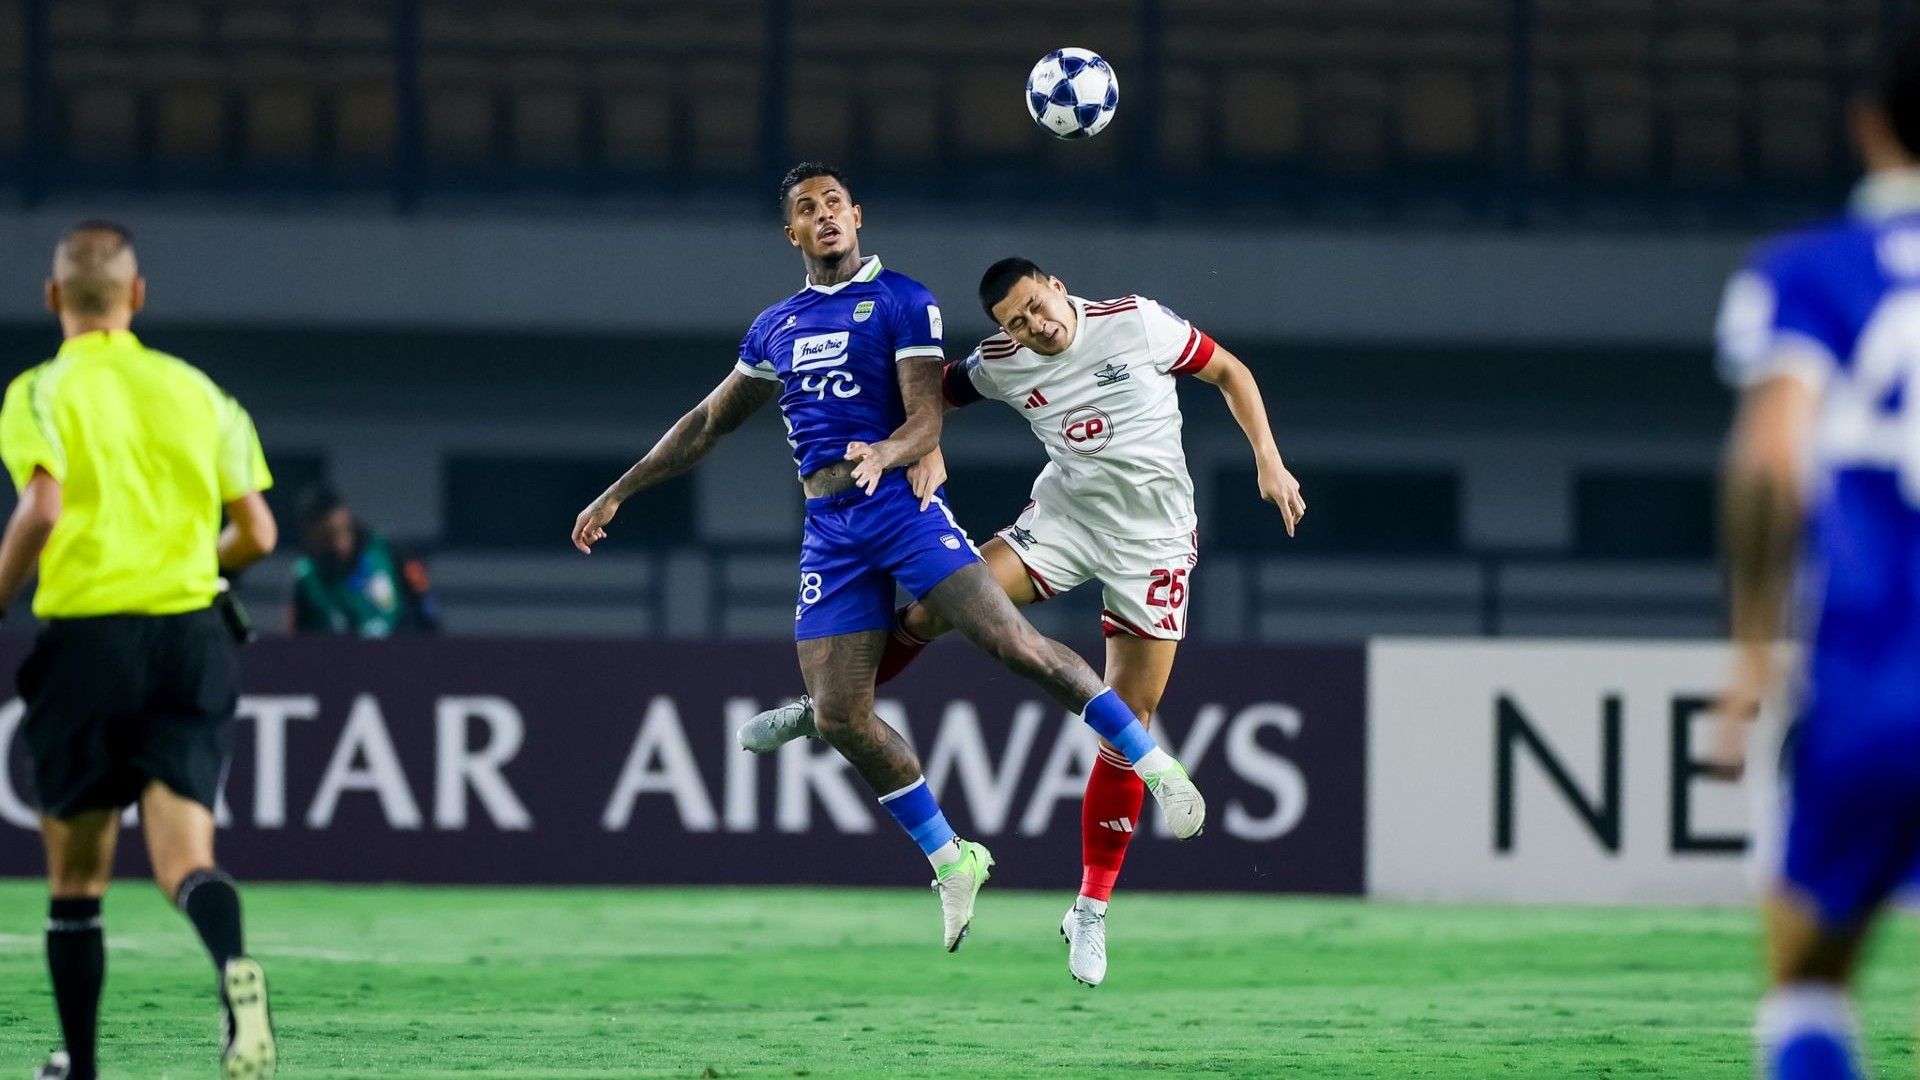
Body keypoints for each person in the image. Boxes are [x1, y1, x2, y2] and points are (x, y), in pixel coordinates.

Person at [572, 163, 1207, 953]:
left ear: (858, 215)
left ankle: (1156, 767)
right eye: (808, 209)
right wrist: (617, 493)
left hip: (900, 510)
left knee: (1010, 642)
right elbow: (707, 422)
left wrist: (899, 450)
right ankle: (953, 860)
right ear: (792, 233)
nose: (825, 215)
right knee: (845, 716)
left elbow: (926, 411)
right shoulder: (775, 327)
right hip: (829, 528)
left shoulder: (902, 299)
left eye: (835, 202)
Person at [739, 257, 1305, 986]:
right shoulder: (1000, 363)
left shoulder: (1135, 321)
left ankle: (1090, 910)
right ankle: (828, 709)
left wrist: (1269, 460)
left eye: (1036, 307)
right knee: (938, 605)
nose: (1033, 327)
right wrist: (927, 442)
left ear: (1058, 288)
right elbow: (926, 394)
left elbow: (1231, 371)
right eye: (1015, 322)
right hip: (1064, 523)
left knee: (1130, 717)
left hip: (1155, 544)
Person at [0, 222, 280, 1080]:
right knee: (186, 859)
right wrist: (193, 565)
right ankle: (237, 980)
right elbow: (258, 533)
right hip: (193, 637)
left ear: (53, 299)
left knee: (78, 879)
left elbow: (42, 511)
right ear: (138, 296)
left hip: (91, 638)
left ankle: (80, 1068)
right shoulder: (198, 391)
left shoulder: (41, 391)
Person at [1710, 27, 1920, 1080]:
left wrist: (1752, 650)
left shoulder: (1813, 272)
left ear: (1872, 125)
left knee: (1808, 980)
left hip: (1876, 675)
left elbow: (1768, 462)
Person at [291, 484, 441, 636]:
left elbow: (424, 607)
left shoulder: (386, 550)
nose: (335, 544)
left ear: (343, 515)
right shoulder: (308, 577)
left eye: (335, 532)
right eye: (324, 537)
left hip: (398, 651)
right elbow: (300, 636)